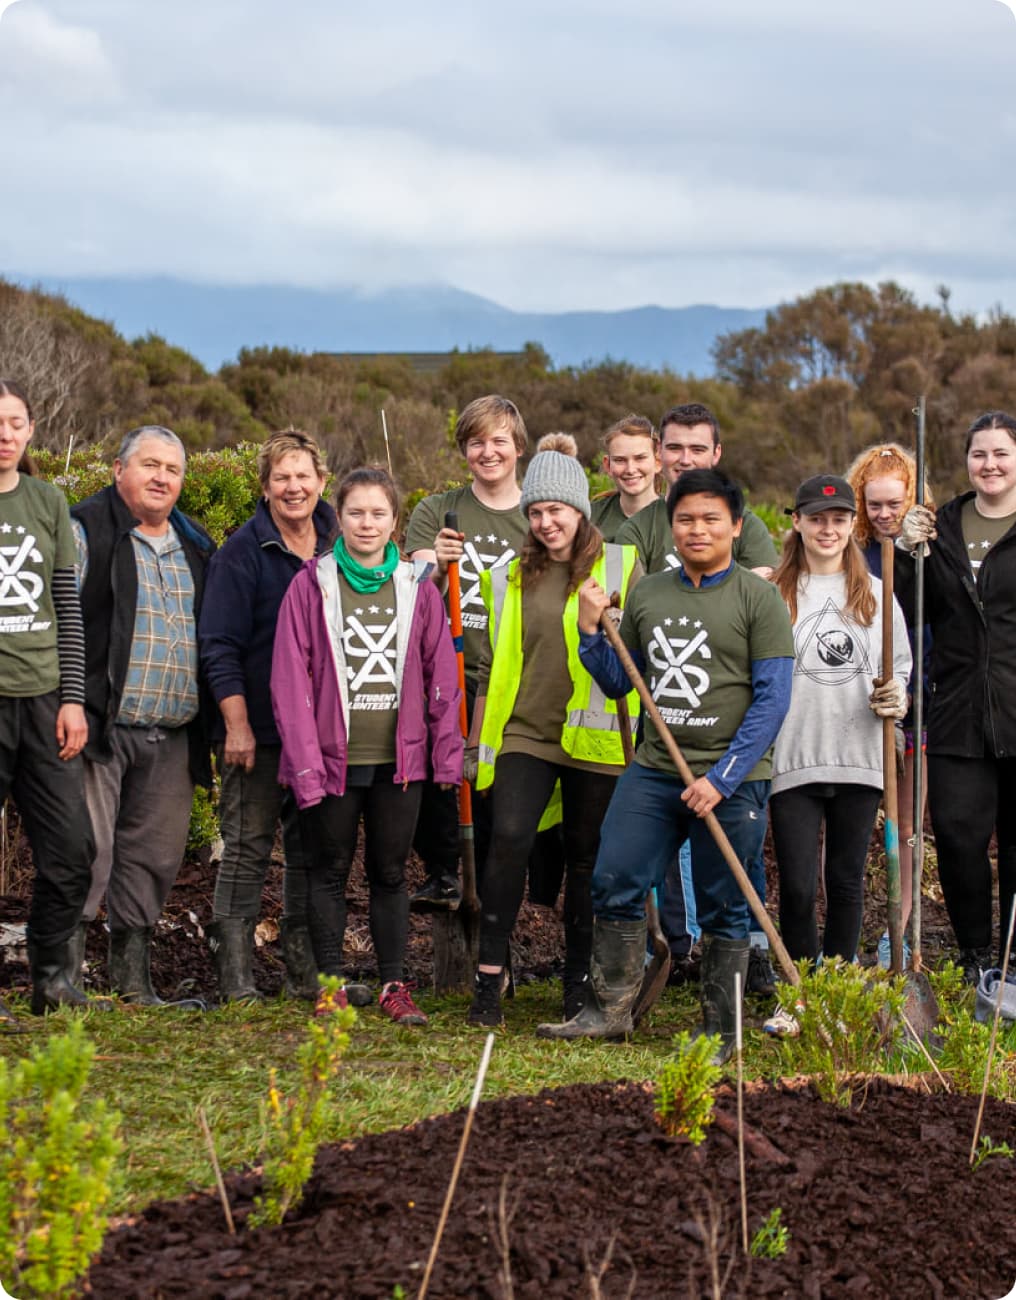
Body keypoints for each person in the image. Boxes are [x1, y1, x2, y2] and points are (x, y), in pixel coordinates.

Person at [538, 468, 794, 1063]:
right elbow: (618, 683)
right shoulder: (649, 593)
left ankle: (721, 1031)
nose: (696, 529)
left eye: (710, 519)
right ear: (671, 526)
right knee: (614, 876)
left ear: (735, 525)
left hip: (733, 778)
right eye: (685, 519)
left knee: (724, 901)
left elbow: (773, 699)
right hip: (655, 768)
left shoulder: (760, 599)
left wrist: (721, 779)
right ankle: (608, 1012)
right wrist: (589, 632)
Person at [271, 465, 462, 1025]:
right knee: (328, 871)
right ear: (339, 517)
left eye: (379, 513)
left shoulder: (416, 587)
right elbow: (289, 679)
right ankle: (329, 985)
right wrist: (305, 764)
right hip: (332, 762)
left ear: (395, 521)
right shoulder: (311, 584)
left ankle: (393, 986)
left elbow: (442, 678)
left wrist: (444, 757)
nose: (367, 523)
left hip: (398, 763)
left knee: (390, 873)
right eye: (355, 512)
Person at [465, 435, 641, 1028]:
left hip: (597, 741)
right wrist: (477, 739)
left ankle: (577, 984)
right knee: (508, 840)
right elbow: (496, 662)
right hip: (527, 733)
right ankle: (489, 980)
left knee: (585, 861)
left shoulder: (619, 567)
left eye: (555, 510)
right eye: (535, 512)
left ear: (580, 511)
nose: (545, 522)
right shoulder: (509, 576)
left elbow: (633, 662)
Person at [618, 403, 780, 995]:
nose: (684, 459)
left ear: (716, 454)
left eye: (697, 449)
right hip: (661, 733)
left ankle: (747, 965)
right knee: (650, 858)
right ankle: (673, 953)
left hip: (730, 732)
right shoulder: (641, 524)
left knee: (732, 863)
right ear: (660, 453)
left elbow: (758, 587)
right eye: (675, 448)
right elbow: (624, 591)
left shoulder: (742, 521)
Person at [71, 425, 214, 1010]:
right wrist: (66, 703)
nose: (161, 477)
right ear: (117, 469)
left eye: (172, 469)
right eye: (148, 464)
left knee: (153, 859)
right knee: (85, 853)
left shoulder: (196, 544)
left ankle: (133, 981)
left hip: (173, 733)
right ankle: (61, 980)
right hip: (98, 727)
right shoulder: (84, 531)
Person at [765, 476, 910, 1034]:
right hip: (793, 756)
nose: (828, 528)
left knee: (846, 881)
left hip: (859, 757)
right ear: (796, 521)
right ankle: (797, 996)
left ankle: (839, 992)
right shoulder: (775, 591)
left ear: (854, 525)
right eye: (816, 517)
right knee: (799, 885)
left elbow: (899, 668)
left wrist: (899, 693)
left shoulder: (876, 591)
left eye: (839, 519)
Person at [199, 430, 336, 1002]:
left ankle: (303, 977)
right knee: (247, 850)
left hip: (323, 736)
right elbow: (219, 646)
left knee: (311, 855)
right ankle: (236, 980)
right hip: (258, 731)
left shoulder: (342, 543)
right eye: (281, 477)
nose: (293, 487)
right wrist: (236, 725)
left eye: (303, 476)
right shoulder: (239, 554)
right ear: (264, 487)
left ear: (322, 482)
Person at [896, 411, 1016, 983]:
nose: (989, 464)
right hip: (955, 712)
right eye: (979, 454)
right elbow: (910, 607)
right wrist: (906, 551)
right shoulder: (938, 527)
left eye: (1001, 453)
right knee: (960, 841)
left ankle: (1014, 959)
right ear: (966, 461)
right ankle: (974, 958)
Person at [0, 379, 105, 1025]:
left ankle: (51, 977)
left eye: (14, 422)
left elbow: (68, 610)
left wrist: (73, 699)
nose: (3, 433)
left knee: (72, 852)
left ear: (31, 430)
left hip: (43, 705)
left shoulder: (47, 502)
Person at [404, 395, 531, 910]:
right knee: (441, 780)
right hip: (447, 671)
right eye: (477, 441)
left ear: (518, 446)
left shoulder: (537, 516)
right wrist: (435, 565)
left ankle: (496, 907)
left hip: (512, 678)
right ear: (463, 449)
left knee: (498, 795)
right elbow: (413, 582)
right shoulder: (437, 511)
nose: (488, 451)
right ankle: (442, 873)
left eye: (499, 440)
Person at [845, 443, 933, 968]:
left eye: (893, 504)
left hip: (917, 701)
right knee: (853, 825)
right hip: (856, 706)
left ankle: (895, 937)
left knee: (908, 827)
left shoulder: (926, 550)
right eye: (873, 504)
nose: (883, 514)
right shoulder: (850, 552)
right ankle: (843, 941)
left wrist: (920, 552)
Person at [590, 414, 662, 541]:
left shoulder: (675, 516)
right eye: (620, 460)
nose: (630, 469)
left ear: (658, 461)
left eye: (640, 458)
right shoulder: (591, 518)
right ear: (607, 465)